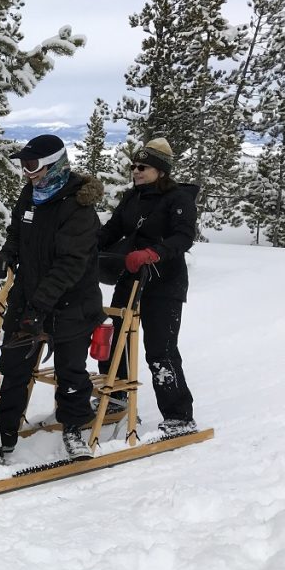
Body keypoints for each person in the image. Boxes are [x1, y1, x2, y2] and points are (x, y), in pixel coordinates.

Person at [0, 134, 105, 462]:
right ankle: (0, 435)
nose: (27, 172)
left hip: (71, 304)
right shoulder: (30, 195)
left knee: (70, 371)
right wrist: (6, 254)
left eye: (32, 165)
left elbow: (69, 266)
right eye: (23, 165)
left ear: (53, 164)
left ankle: (75, 431)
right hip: (29, 297)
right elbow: (17, 234)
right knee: (12, 369)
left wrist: (39, 308)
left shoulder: (78, 206)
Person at [97, 137, 198, 437]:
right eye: (134, 166)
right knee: (116, 338)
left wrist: (153, 253)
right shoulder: (132, 197)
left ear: (161, 170)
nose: (136, 171)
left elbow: (183, 237)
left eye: (143, 166)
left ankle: (179, 415)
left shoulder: (178, 198)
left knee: (160, 350)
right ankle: (117, 399)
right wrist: (86, 247)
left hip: (164, 281)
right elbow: (112, 229)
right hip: (131, 276)